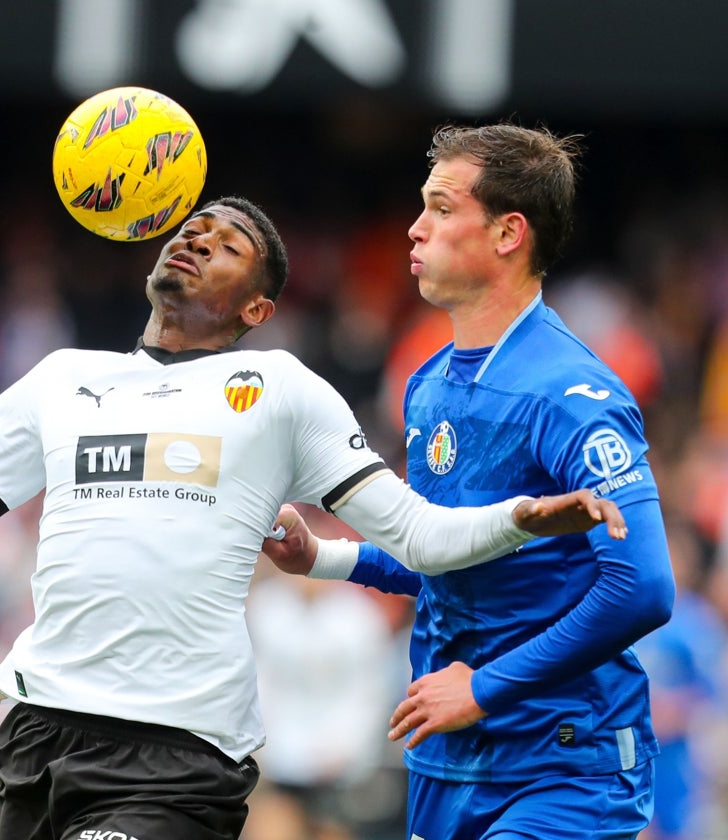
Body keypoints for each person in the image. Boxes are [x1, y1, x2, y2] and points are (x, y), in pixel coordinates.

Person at [0, 196, 626, 840]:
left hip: (178, 758)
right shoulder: (61, 380)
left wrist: (525, 518)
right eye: (193, 228)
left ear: (259, 308)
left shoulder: (280, 392)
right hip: (39, 739)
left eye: (227, 246)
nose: (197, 241)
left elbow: (422, 539)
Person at [263, 126, 676, 838]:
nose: (416, 229)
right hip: (450, 762)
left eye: (442, 208)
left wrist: (484, 688)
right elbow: (442, 555)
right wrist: (326, 558)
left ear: (509, 233)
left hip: (562, 763)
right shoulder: (428, 387)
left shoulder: (571, 394)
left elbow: (642, 586)